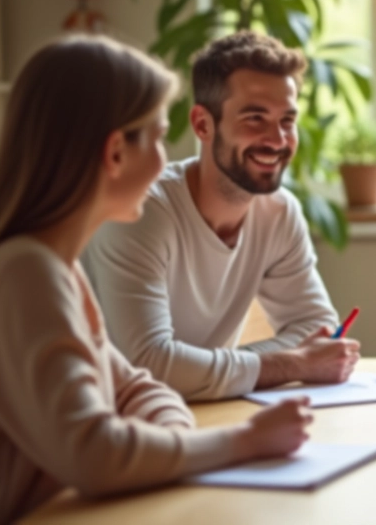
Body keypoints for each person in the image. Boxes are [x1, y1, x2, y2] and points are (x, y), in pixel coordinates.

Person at [0, 35, 313, 525]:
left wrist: (178, 439)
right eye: (156, 139)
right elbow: (94, 456)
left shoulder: (51, 266)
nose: (164, 161)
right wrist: (244, 440)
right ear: (115, 152)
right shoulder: (21, 275)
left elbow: (136, 386)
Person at [84, 31, 359, 401]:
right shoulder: (141, 211)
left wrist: (211, 368)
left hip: (201, 413)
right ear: (202, 125)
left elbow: (317, 330)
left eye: (287, 120)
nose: (277, 140)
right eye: (254, 118)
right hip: (113, 420)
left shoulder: (278, 211)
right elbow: (149, 365)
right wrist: (291, 364)